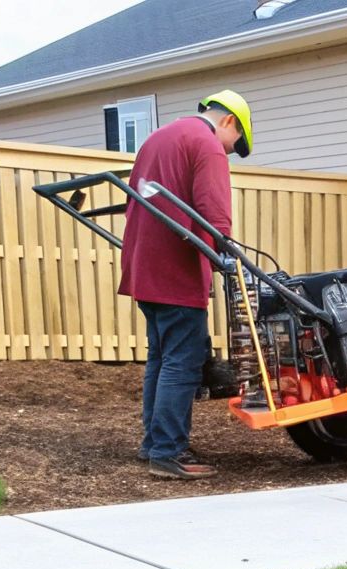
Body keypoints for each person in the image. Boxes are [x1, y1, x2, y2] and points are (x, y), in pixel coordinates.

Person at [119, 89, 254, 479]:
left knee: (161, 358)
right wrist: (222, 253)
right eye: (235, 145)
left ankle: (154, 443)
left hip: (144, 265)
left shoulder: (157, 139)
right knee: (184, 360)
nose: (228, 152)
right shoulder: (206, 143)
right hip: (174, 268)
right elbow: (214, 210)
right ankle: (168, 451)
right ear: (229, 121)